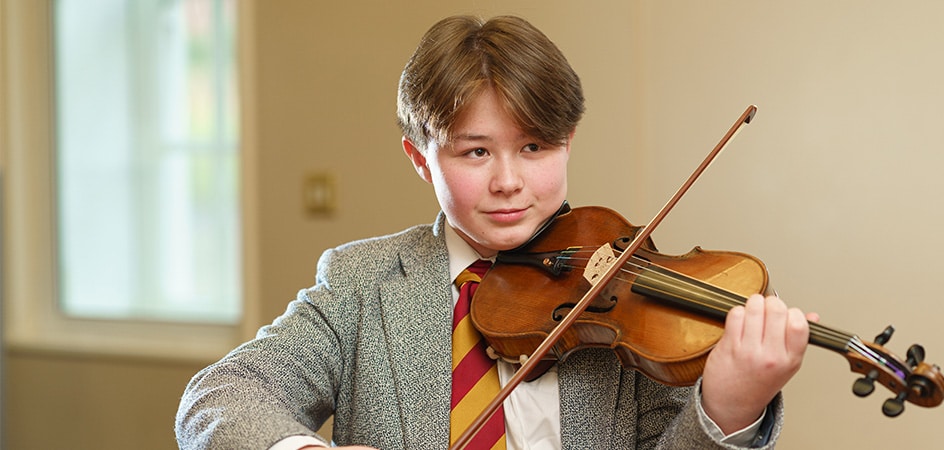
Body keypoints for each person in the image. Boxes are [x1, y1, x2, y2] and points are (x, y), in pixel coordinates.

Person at [176, 14, 814, 450]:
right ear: (421, 159)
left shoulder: (626, 295)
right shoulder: (361, 283)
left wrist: (730, 409)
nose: (509, 180)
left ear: (569, 143)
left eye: (534, 147)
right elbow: (219, 396)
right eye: (475, 153)